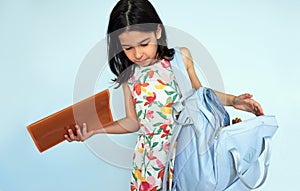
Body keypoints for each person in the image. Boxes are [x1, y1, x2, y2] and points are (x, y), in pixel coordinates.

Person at [65, 0, 264, 190]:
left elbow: (201, 95)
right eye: (128, 48)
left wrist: (234, 100)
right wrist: (96, 130)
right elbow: (133, 122)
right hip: (150, 163)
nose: (138, 54)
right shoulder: (129, 77)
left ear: (157, 31)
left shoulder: (180, 58)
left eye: (144, 43)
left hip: (187, 153)